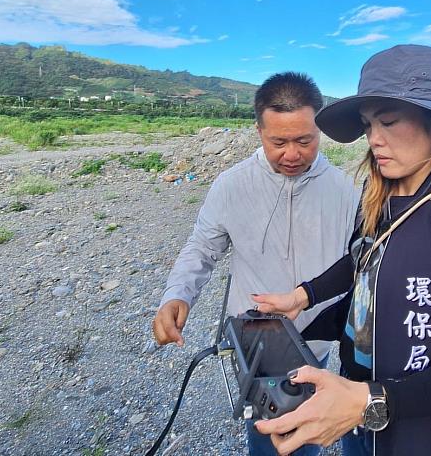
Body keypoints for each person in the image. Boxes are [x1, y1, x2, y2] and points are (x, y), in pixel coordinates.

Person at [252, 45, 431, 456]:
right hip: (360, 421)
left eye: (389, 121)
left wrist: (371, 401)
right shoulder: (378, 198)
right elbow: (362, 266)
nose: (374, 139)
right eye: (367, 124)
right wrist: (302, 299)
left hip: (425, 437)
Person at [152, 72, 359, 456]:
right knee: (268, 435)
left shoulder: (345, 189)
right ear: (259, 131)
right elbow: (202, 247)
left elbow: (359, 259)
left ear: (321, 132)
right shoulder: (232, 185)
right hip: (256, 334)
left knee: (304, 435)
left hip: (316, 335)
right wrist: (177, 294)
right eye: (278, 141)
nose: (292, 154)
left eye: (305, 140)